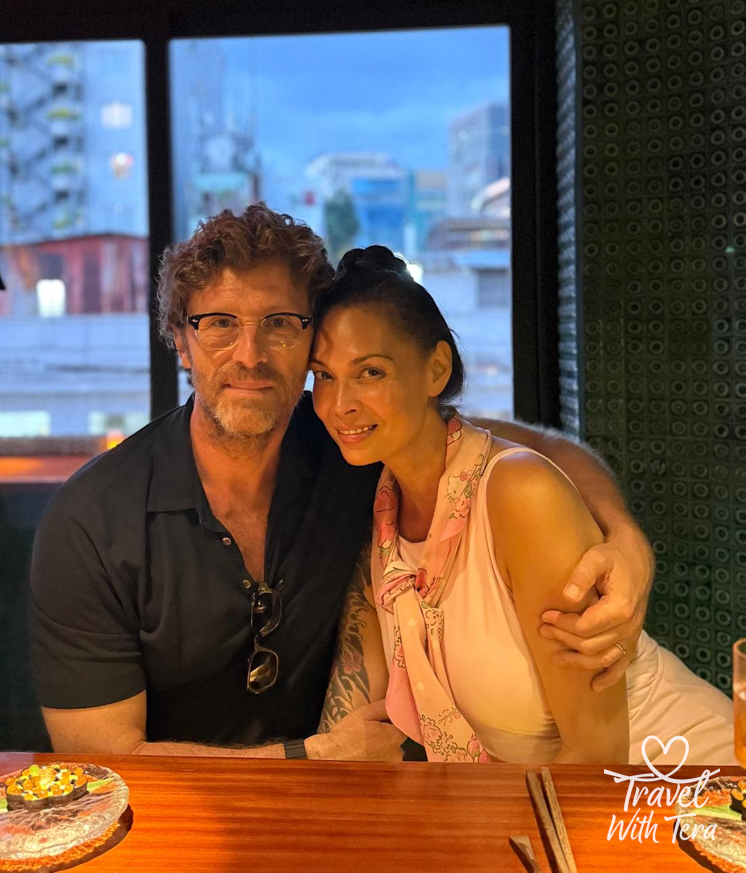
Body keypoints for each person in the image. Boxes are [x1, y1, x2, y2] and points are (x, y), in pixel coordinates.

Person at [31, 203, 654, 760]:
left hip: (374, 794)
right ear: (180, 342)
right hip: (195, 810)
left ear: (309, 341)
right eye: (219, 323)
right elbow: (102, 759)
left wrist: (625, 537)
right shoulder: (91, 523)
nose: (250, 353)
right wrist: (311, 757)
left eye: (280, 322)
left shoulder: (350, 440)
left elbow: (529, 450)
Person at [310, 245, 734, 764]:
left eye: (370, 372)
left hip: (680, 780)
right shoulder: (384, 515)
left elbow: (596, 753)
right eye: (323, 375)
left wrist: (625, 533)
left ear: (436, 370)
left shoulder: (520, 496)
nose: (339, 404)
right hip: (547, 796)